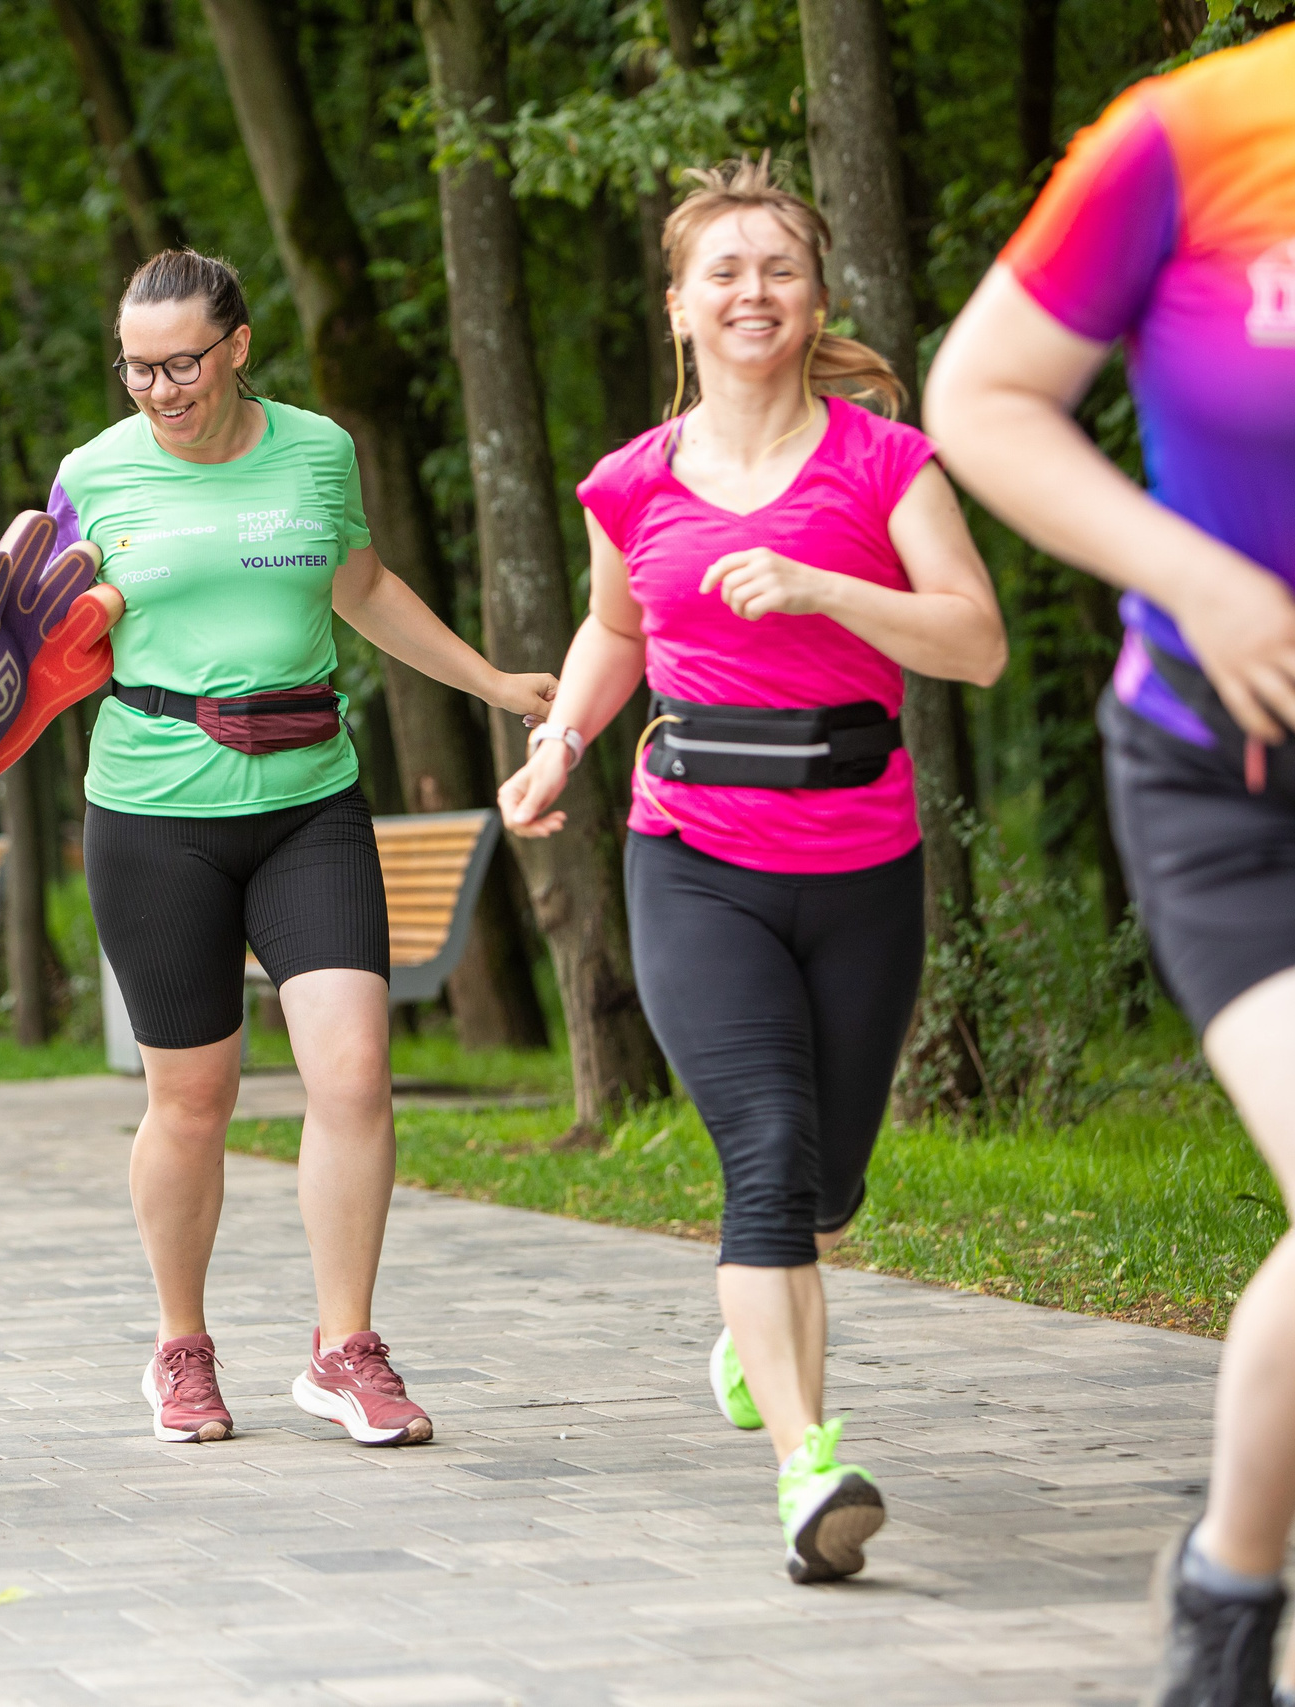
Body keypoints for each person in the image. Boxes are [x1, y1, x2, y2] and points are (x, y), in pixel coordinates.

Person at [496, 160, 1005, 1584]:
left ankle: (755, 1324)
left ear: (816, 295)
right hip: (694, 851)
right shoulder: (633, 480)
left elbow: (975, 641)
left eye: (778, 267)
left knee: (828, 1182)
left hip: (861, 856)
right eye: (722, 271)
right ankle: (808, 1465)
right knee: (768, 1159)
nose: (752, 292)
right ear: (679, 306)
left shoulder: (884, 464)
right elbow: (615, 633)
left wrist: (827, 584)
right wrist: (559, 744)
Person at [923, 27, 1295, 1702]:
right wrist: (1198, 576)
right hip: (1236, 774)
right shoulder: (1190, 137)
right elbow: (981, 400)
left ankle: (1230, 1580)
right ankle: (1232, 1596)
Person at [53, 249, 557, 1449]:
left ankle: (345, 1350)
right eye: (138, 368)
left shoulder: (318, 450)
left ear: (236, 348)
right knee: (194, 1097)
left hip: (306, 802)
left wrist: (491, 682)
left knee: (353, 1074)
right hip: (155, 808)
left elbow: (365, 587)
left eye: (182, 363)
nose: (162, 389)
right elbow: (45, 636)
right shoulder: (91, 473)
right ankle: (180, 1349)